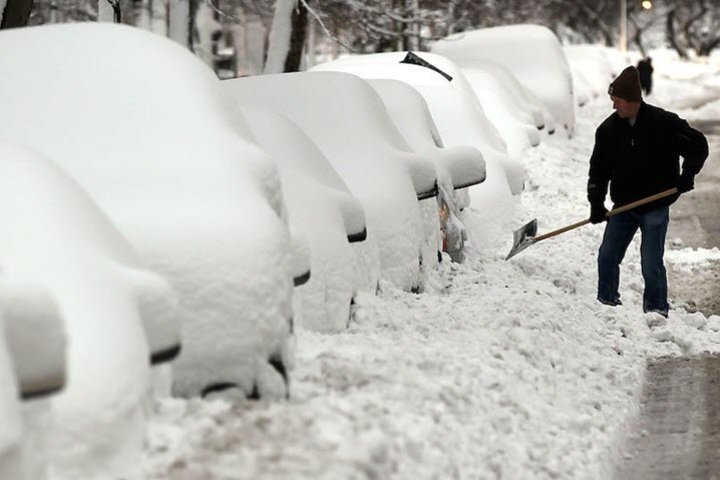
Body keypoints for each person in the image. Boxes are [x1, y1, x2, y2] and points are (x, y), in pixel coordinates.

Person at [587, 66, 708, 317]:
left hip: (656, 203)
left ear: (632, 100)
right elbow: (598, 170)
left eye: (617, 101)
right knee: (607, 256)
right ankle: (606, 305)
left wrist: (687, 174)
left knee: (651, 263)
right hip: (623, 206)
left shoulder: (664, 123)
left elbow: (698, 145)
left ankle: (656, 310)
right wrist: (596, 203)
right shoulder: (608, 131)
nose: (614, 106)